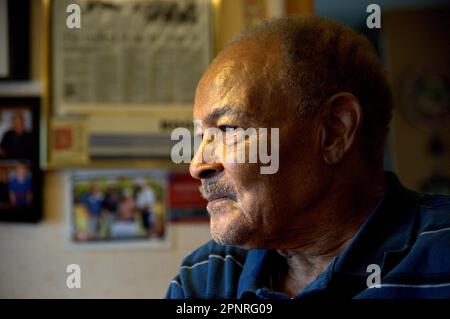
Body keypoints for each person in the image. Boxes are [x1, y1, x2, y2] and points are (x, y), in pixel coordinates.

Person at [166, 16, 450, 299]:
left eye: (228, 129)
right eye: (202, 136)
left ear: (334, 131)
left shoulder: (442, 251)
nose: (196, 167)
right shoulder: (206, 279)